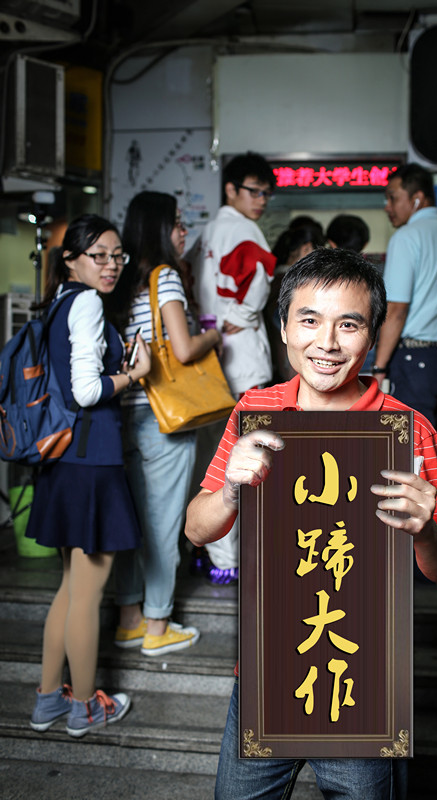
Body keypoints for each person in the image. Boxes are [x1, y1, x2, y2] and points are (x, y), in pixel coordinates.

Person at [185, 248, 437, 800]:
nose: (328, 342)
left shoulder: (406, 431)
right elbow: (197, 529)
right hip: (266, 671)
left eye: (349, 325)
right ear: (284, 327)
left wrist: (425, 531)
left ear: (373, 335)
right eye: (309, 320)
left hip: (363, 677)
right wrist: (232, 491)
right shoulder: (256, 412)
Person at [27, 214, 151, 737]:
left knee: (69, 587)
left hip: (64, 460)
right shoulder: (87, 304)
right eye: (99, 255)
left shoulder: (59, 302)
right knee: (87, 593)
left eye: (117, 255)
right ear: (71, 259)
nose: (111, 264)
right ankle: (84, 706)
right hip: (90, 460)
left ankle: (47, 699)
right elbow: (85, 391)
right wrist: (134, 375)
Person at [108, 191, 222, 655]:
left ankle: (129, 620)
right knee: (162, 525)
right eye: (176, 223)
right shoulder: (165, 276)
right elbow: (183, 349)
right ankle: (157, 626)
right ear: (158, 229)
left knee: (131, 525)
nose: (183, 231)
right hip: (165, 421)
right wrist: (213, 334)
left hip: (124, 414)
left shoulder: (119, 281)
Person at [373, 163, 437, 579]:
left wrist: (380, 366)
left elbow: (397, 309)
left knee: (410, 459)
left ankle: (416, 565)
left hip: (413, 358)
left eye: (393, 197)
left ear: (417, 198)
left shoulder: (407, 237)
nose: (388, 206)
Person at [189, 151, 277, 583]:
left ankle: (217, 556)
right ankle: (233, 559)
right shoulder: (245, 230)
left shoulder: (205, 232)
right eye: (254, 191)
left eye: (265, 194)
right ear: (231, 189)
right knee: (245, 464)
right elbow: (260, 279)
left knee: (213, 461)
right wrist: (240, 317)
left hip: (209, 363)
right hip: (243, 362)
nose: (260, 200)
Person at [267, 218, 326, 382]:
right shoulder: (294, 286)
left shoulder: (274, 279)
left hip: (277, 366)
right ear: (307, 248)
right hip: (291, 372)